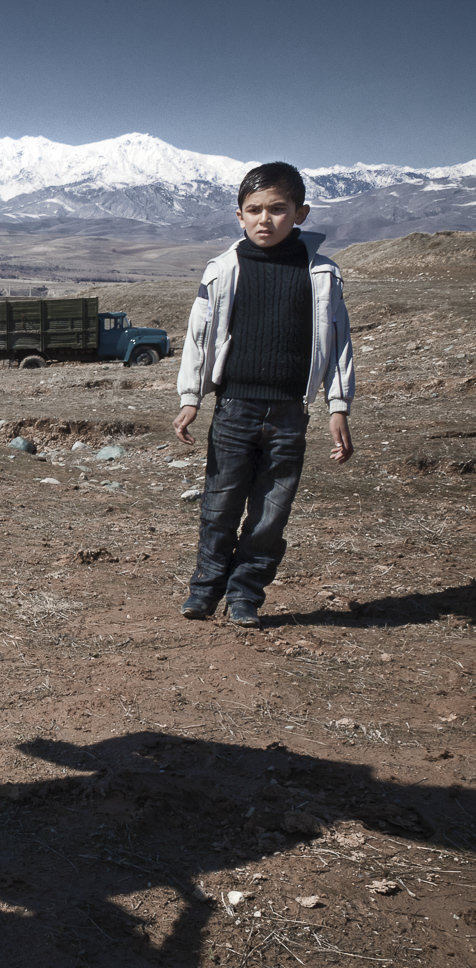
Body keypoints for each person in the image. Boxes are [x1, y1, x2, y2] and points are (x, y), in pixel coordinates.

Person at [174, 162, 355, 629]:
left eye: (278, 209)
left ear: (301, 213)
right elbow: (199, 336)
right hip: (234, 408)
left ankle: (245, 596)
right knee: (219, 505)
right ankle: (204, 591)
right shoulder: (222, 270)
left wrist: (338, 406)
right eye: (253, 210)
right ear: (239, 215)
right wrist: (190, 397)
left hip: (290, 413)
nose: (264, 219)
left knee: (272, 513)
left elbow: (337, 345)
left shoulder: (321, 274)